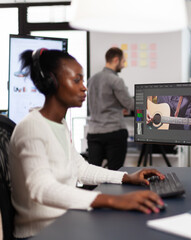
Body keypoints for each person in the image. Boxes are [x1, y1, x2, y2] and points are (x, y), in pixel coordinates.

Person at [9, 49, 165, 239]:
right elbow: (41, 188)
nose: (84, 88)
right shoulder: (32, 127)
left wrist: (127, 177)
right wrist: (113, 200)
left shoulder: (59, 124)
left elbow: (80, 168)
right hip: (42, 232)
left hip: (65, 221)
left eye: (83, 81)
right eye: (77, 80)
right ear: (52, 81)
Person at [87, 47, 134, 170]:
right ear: (116, 59)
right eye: (123, 62)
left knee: (92, 174)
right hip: (113, 132)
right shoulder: (116, 80)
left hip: (93, 133)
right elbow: (129, 104)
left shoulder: (91, 79)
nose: (123, 66)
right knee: (115, 173)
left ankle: (90, 190)